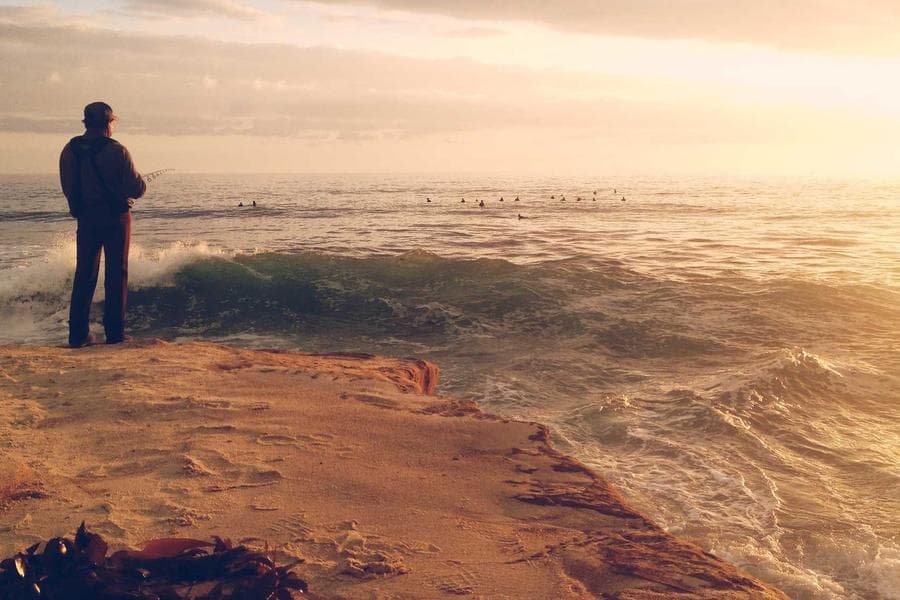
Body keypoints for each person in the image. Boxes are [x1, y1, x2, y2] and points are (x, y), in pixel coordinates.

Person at [59, 102, 146, 348]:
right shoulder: (117, 151)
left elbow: (68, 187)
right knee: (117, 274)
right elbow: (136, 188)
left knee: (84, 274)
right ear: (109, 123)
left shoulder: (69, 149)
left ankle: (78, 335)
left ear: (86, 122)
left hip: (86, 218)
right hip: (115, 218)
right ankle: (115, 334)